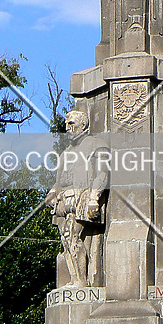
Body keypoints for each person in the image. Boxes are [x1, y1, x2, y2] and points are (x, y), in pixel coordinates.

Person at [45, 110, 108, 287]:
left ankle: (81, 280)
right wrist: (51, 193)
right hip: (64, 202)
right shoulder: (65, 153)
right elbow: (60, 181)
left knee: (73, 236)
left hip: (83, 197)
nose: (68, 128)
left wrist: (94, 199)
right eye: (66, 124)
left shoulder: (97, 145)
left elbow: (102, 174)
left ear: (83, 125)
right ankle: (74, 278)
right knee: (65, 240)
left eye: (71, 124)